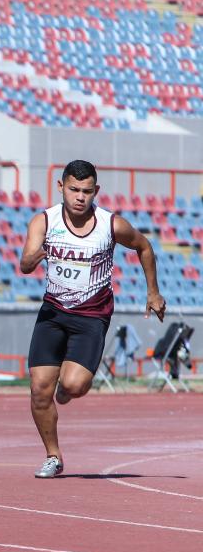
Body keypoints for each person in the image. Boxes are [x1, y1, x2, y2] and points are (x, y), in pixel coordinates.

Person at [21, 159, 165, 478]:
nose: (80, 197)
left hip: (91, 315)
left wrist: (152, 292)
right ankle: (53, 456)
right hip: (53, 312)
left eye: (86, 191)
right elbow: (26, 264)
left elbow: (144, 246)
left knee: (74, 385)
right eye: (74, 189)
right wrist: (34, 256)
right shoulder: (44, 221)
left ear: (95, 191)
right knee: (38, 389)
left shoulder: (110, 224)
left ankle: (68, 391)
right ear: (61, 187)